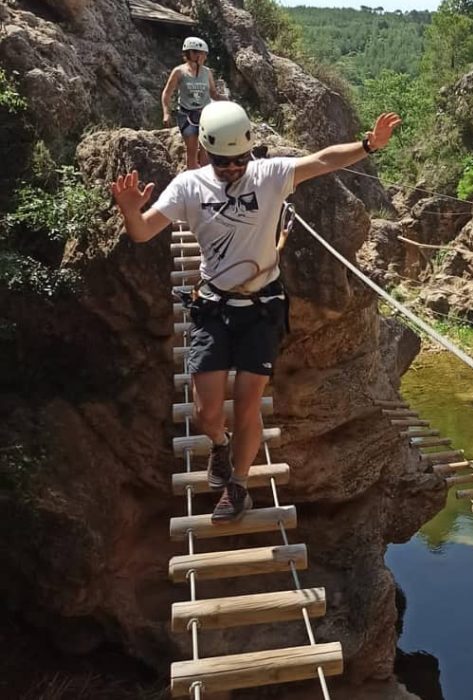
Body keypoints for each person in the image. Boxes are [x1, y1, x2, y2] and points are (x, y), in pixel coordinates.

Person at [111, 101, 402, 522]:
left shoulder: (269, 175)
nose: (232, 169)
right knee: (207, 412)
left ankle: (238, 486)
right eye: (222, 163)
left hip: (260, 308)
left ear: (250, 151)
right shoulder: (188, 186)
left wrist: (368, 144)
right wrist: (128, 211)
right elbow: (141, 233)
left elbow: (321, 161)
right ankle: (219, 445)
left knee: (248, 404)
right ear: (207, 152)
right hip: (212, 307)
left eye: (239, 161)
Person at [161, 37, 223, 170]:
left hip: (205, 115)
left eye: (205, 54)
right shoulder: (179, 72)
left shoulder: (207, 72)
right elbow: (167, 93)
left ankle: (205, 182)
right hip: (187, 115)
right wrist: (166, 112)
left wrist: (226, 101)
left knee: (206, 149)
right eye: (201, 53)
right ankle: (193, 180)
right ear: (191, 54)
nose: (204, 57)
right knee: (192, 150)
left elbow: (213, 93)